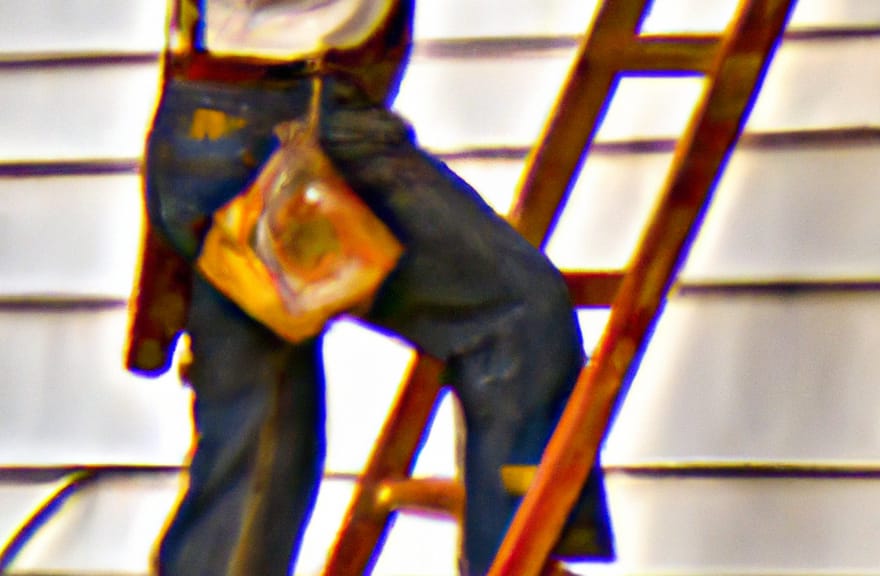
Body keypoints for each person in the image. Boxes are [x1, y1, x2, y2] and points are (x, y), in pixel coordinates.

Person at [132, 0, 615, 574]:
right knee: (517, 315)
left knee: (257, 446)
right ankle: (514, 557)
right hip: (296, 125)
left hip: (204, 121)